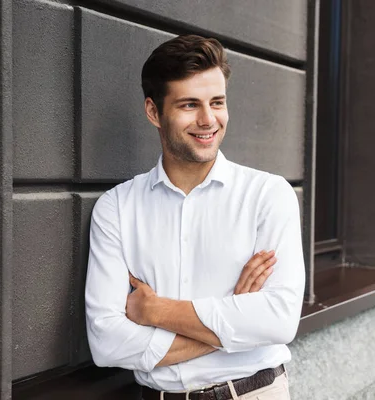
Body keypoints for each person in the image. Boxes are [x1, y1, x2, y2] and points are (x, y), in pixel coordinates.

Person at [85, 34, 305, 400]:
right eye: (189, 105)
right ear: (154, 111)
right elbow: (106, 342)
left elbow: (279, 320)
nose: (208, 120)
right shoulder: (117, 208)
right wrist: (234, 319)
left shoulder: (268, 195)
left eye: (217, 102)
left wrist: (156, 311)